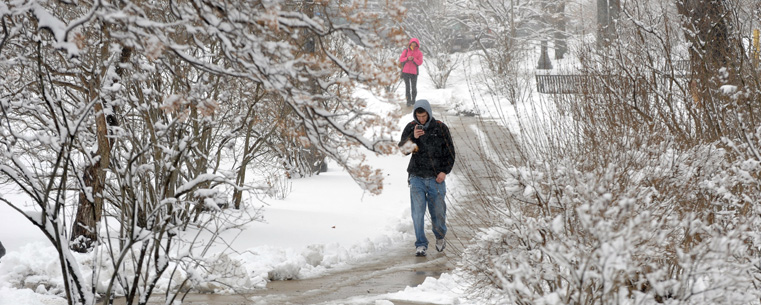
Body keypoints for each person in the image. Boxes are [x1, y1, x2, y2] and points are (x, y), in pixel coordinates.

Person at [398, 99, 456, 256]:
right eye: (418, 116)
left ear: (429, 113)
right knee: (417, 212)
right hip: (416, 177)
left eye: (424, 116)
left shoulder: (440, 128)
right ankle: (421, 244)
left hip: (436, 178)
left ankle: (440, 236)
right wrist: (413, 137)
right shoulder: (411, 127)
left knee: (438, 212)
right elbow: (404, 150)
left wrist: (444, 171)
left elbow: (450, 152)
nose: (421, 119)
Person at [399, 38, 423, 107]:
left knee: (414, 87)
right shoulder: (406, 51)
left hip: (414, 73)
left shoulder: (419, 53)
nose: (413, 44)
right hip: (405, 72)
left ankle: (413, 100)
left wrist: (414, 59)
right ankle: (408, 101)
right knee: (407, 87)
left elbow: (420, 62)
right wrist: (407, 58)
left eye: (415, 43)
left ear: (417, 44)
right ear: (410, 43)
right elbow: (401, 59)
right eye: (412, 43)